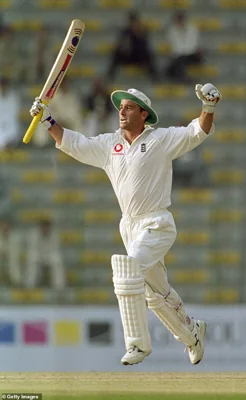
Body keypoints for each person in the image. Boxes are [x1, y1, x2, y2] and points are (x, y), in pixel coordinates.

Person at [29, 82, 222, 366]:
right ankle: (192, 333)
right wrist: (47, 120)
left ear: (144, 114)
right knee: (154, 293)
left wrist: (209, 107)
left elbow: (198, 131)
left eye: (129, 107)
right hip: (129, 227)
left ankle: (136, 344)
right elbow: (74, 143)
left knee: (126, 270)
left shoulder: (160, 139)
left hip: (157, 222)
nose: (122, 112)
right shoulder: (110, 145)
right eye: (120, 107)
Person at [107, 10, 158, 81]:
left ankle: (155, 77)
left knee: (148, 54)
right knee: (116, 53)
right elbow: (120, 45)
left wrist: (138, 34)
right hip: (128, 56)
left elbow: (145, 46)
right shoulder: (125, 32)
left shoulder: (142, 31)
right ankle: (110, 75)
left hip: (139, 56)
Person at [25, 218, 65, 289]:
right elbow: (33, 249)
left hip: (50, 256)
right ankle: (29, 286)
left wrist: (48, 257)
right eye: (43, 227)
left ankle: (59, 287)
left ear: (50, 227)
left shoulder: (55, 235)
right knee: (32, 259)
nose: (45, 229)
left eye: (47, 227)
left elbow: (55, 250)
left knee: (57, 261)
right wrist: (39, 258)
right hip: (38, 256)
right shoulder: (34, 235)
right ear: (40, 227)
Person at [165, 11, 203, 82]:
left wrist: (181, 53)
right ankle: (182, 78)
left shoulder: (192, 29)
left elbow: (192, 46)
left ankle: (181, 78)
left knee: (178, 62)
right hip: (179, 56)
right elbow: (174, 46)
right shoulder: (172, 31)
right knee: (176, 63)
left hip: (192, 54)